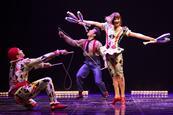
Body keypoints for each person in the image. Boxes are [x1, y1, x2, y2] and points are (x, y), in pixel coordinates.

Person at [78, 12, 157, 105]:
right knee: (114, 77)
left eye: (118, 18)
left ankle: (122, 96)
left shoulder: (123, 30)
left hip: (117, 54)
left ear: (120, 19)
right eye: (115, 19)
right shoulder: (107, 26)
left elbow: (137, 34)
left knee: (120, 75)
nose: (117, 20)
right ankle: (117, 96)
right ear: (112, 20)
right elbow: (95, 23)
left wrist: (151, 39)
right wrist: (83, 21)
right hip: (108, 54)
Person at [58, 27, 109, 99]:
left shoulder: (97, 43)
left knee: (98, 81)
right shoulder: (83, 41)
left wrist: (105, 62)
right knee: (78, 75)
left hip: (95, 63)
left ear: (94, 35)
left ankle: (105, 93)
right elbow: (73, 42)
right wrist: (64, 36)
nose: (89, 30)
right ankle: (80, 93)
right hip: (87, 63)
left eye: (92, 30)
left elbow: (103, 54)